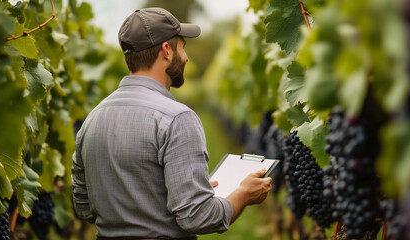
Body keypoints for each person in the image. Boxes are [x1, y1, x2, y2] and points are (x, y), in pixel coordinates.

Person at [71, 7, 272, 240]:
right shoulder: (177, 119)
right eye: (183, 47)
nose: (186, 57)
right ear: (167, 50)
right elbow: (196, 217)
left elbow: (83, 207)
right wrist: (243, 194)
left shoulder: (93, 119)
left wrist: (182, 187)